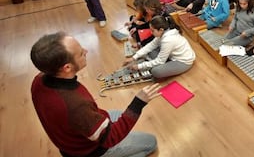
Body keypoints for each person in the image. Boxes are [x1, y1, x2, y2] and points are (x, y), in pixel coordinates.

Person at [30, 31, 160, 157]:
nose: (86, 51)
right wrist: (138, 103)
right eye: (81, 53)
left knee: (119, 115)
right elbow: (110, 138)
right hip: (90, 151)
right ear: (67, 68)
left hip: (71, 138)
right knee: (151, 143)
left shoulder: (39, 79)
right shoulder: (76, 105)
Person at [124, 16, 196, 78]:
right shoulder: (164, 31)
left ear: (161, 29)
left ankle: (164, 64)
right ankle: (164, 63)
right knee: (149, 50)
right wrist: (133, 57)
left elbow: (160, 61)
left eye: (152, 31)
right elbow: (150, 45)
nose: (151, 33)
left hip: (183, 62)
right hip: (171, 56)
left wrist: (139, 66)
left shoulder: (168, 40)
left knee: (155, 71)